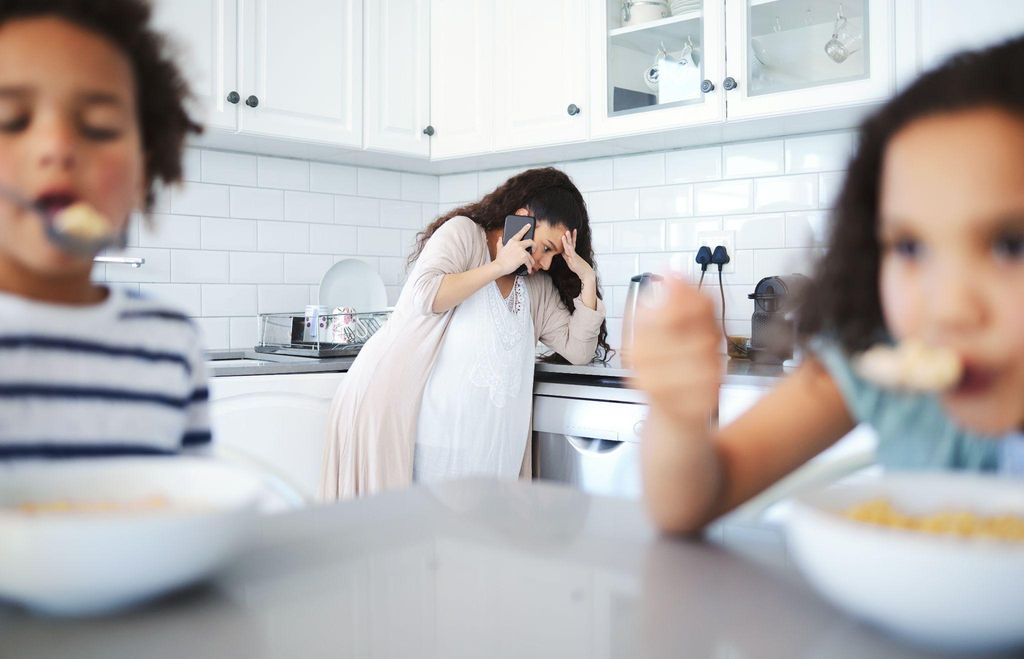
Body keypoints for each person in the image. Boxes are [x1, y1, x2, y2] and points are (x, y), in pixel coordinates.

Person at [633, 37, 1024, 533]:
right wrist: (677, 420)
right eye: (909, 248)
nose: (948, 309)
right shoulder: (875, 362)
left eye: (1011, 245)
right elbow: (689, 503)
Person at [321, 167, 611, 499]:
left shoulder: (536, 286)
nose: (546, 263)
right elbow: (425, 295)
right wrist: (498, 267)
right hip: (404, 425)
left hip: (484, 456)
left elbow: (578, 350)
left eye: (555, 256)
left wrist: (587, 281)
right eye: (546, 247)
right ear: (523, 217)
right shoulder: (463, 234)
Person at [0, 0, 207, 457]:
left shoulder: (170, 343)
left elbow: (186, 510)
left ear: (142, 173)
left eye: (98, 128)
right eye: (11, 121)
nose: (56, 148)